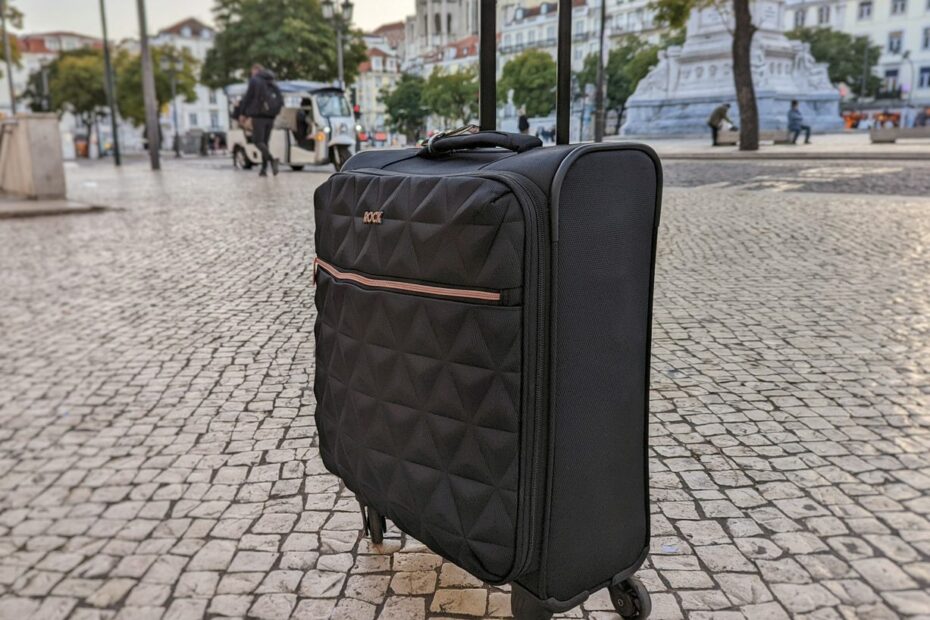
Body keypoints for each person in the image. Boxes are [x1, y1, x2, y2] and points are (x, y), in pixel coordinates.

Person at [239, 64, 284, 176]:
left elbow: (248, 97)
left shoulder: (255, 80)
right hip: (271, 115)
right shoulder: (272, 81)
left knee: (257, 141)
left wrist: (242, 113)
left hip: (259, 115)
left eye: (252, 71)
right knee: (265, 142)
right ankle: (264, 169)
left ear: (255, 70)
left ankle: (272, 159)